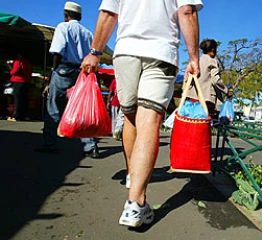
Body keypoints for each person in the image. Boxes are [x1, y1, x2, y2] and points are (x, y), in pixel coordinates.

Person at [81, 0, 203, 227]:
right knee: (148, 122)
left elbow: (109, 14)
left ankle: (132, 175)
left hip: (125, 52)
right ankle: (136, 204)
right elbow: (187, 12)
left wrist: (95, 53)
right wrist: (194, 58)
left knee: (130, 117)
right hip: (161, 52)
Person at [37, 2, 99, 158]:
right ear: (80, 16)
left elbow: (57, 51)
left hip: (64, 71)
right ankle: (90, 146)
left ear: (66, 15)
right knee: (83, 110)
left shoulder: (63, 27)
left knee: (54, 108)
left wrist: (53, 71)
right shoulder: (87, 33)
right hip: (81, 72)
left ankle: (51, 143)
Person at [188, 39, 228, 119]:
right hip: (206, 98)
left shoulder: (197, 60)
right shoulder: (212, 61)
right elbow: (215, 80)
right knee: (204, 123)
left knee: (194, 120)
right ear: (213, 49)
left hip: (193, 97)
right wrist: (226, 90)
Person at [7, 53, 32, 122]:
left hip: (18, 81)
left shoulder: (18, 62)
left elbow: (15, 71)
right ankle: (22, 115)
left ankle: (15, 115)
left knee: (17, 98)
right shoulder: (28, 63)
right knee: (23, 99)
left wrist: (11, 71)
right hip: (26, 81)